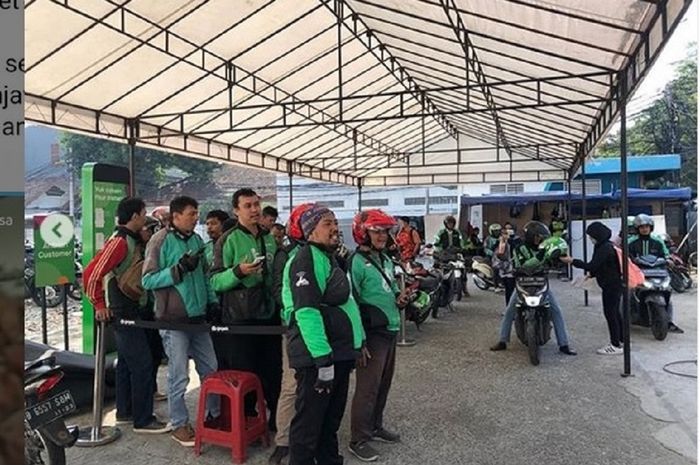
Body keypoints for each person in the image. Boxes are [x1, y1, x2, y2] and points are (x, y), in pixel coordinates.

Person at [282, 204, 365, 465]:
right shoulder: (306, 259)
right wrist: (323, 359)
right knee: (309, 424)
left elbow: (347, 303)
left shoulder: (327, 257)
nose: (335, 228)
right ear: (310, 232)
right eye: (327, 223)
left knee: (329, 420)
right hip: (318, 357)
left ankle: (330, 460)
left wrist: (358, 342)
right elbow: (306, 311)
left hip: (338, 352)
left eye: (334, 222)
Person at [84, 197, 169, 434]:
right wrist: (99, 304)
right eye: (143, 214)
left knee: (126, 364)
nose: (145, 219)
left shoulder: (130, 239)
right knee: (141, 364)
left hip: (131, 308)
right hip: (123, 310)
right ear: (134, 216)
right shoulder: (120, 241)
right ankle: (143, 420)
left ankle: (125, 411)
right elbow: (91, 273)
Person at [142, 196, 221, 447]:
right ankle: (179, 423)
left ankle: (214, 416)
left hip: (198, 319)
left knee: (211, 369)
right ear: (175, 216)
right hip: (172, 320)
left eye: (197, 212)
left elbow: (205, 276)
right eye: (191, 212)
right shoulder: (160, 240)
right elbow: (147, 280)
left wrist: (212, 303)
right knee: (178, 376)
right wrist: (177, 270)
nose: (196, 217)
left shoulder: (197, 240)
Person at [210, 188, 280, 429]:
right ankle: (246, 421)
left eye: (256, 204)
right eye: (248, 206)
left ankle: (274, 421)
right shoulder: (227, 239)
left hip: (269, 316)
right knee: (245, 373)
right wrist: (238, 272)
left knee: (273, 370)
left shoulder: (269, 237)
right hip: (239, 318)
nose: (254, 209)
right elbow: (215, 281)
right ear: (236, 210)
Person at [348, 210, 407, 462]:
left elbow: (392, 289)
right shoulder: (356, 262)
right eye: (376, 230)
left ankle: (375, 426)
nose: (383, 235)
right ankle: (358, 439)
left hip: (389, 330)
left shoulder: (384, 259)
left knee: (383, 383)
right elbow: (351, 303)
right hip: (371, 335)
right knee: (367, 388)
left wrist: (400, 298)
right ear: (363, 232)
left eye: (385, 230)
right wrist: (359, 341)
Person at [490, 221, 577, 356]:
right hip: (523, 282)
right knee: (509, 312)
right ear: (530, 236)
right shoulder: (519, 248)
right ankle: (502, 340)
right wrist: (542, 255)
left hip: (541, 282)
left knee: (556, 311)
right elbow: (525, 265)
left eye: (542, 237)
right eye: (537, 236)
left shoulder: (545, 247)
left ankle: (564, 344)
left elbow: (554, 260)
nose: (540, 239)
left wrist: (557, 256)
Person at [268, 203, 312, 465]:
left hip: (318, 327)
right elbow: (277, 289)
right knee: (291, 385)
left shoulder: (323, 253)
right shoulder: (287, 255)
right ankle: (283, 441)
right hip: (294, 327)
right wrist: (296, 313)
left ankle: (307, 436)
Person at [561, 222, 624, 355]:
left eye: (591, 236)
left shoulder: (605, 248)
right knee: (615, 313)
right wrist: (591, 275)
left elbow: (592, 265)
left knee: (611, 314)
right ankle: (621, 340)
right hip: (612, 284)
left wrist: (572, 261)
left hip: (611, 285)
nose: (590, 239)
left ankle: (615, 344)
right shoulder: (604, 246)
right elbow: (600, 266)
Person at [628, 214, 683, 333]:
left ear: (651, 227)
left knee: (667, 291)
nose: (644, 229)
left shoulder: (657, 241)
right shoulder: (631, 242)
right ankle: (626, 317)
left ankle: (669, 321)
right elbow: (626, 257)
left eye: (647, 226)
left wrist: (669, 260)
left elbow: (665, 254)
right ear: (637, 228)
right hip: (638, 273)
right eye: (641, 227)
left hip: (657, 272)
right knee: (628, 292)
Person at [139, 215, 167, 402]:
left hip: (153, 308)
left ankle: (153, 388)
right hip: (142, 308)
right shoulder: (132, 248)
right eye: (149, 229)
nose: (152, 233)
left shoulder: (153, 248)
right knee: (144, 355)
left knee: (155, 353)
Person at [493, 227, 515, 304]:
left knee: (511, 290)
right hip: (503, 270)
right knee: (508, 291)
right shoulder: (499, 242)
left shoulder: (514, 242)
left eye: (507, 233)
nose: (505, 235)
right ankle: (508, 308)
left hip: (512, 270)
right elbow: (496, 254)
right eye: (504, 233)